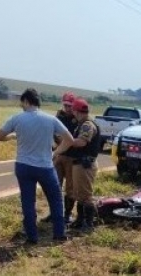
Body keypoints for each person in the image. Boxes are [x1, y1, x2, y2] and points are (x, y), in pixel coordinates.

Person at [0, 88, 74, 244]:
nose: (21, 106)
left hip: (23, 165)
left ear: (26, 101)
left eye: (22, 103)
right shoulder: (50, 119)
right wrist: (56, 153)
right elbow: (69, 139)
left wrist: (12, 136)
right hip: (45, 165)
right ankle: (59, 234)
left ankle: (32, 237)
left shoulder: (17, 118)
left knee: (28, 202)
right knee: (55, 199)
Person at [54, 97, 101, 232]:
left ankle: (88, 224)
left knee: (85, 195)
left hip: (84, 164)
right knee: (79, 193)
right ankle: (80, 220)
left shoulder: (87, 125)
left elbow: (81, 142)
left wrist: (68, 141)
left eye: (73, 110)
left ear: (76, 111)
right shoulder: (83, 123)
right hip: (80, 163)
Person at [41, 91, 78, 223]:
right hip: (59, 154)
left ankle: (67, 214)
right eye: (65, 105)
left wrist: (63, 142)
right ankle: (54, 213)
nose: (67, 108)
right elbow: (52, 132)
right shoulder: (59, 116)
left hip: (72, 157)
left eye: (70, 106)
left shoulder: (77, 118)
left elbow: (75, 139)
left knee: (70, 188)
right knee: (54, 185)